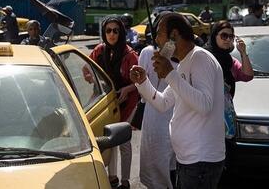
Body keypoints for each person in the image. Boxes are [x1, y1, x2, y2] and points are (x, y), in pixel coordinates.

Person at [130, 13, 225, 189]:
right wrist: (143, 82)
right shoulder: (183, 63)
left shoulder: (200, 58)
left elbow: (204, 105)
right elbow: (163, 102)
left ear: (174, 35)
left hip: (201, 160)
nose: (156, 39)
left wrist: (170, 74)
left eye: (159, 34)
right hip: (187, 158)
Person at [88, 16, 139, 189]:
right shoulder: (99, 50)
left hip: (127, 102)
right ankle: (112, 178)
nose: (111, 34)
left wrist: (127, 89)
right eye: (108, 30)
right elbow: (87, 71)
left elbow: (140, 81)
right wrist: (95, 80)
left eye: (115, 31)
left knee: (123, 141)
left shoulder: (129, 54)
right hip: (107, 102)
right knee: (110, 140)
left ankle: (125, 181)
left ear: (121, 33)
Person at [204, 21, 253, 173]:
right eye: (224, 35)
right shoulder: (204, 57)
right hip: (206, 115)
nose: (227, 40)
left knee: (226, 158)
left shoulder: (230, 61)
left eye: (230, 36)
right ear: (214, 36)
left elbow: (247, 75)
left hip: (225, 117)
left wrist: (243, 52)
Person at [139, 13, 177, 189]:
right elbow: (142, 91)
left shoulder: (183, 57)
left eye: (162, 31)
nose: (157, 36)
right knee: (154, 163)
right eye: (158, 30)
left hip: (176, 115)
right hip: (153, 115)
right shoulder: (147, 53)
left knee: (174, 163)